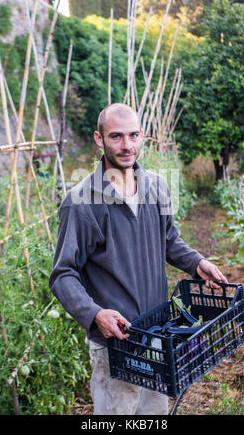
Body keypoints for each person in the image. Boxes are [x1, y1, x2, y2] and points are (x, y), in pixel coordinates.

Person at [49, 103, 228, 415]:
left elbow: (169, 240)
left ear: (142, 136)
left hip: (157, 332)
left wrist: (197, 263)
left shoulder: (156, 186)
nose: (127, 145)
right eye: (116, 136)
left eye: (133, 135)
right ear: (99, 139)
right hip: (115, 344)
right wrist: (94, 314)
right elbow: (63, 274)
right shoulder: (81, 203)